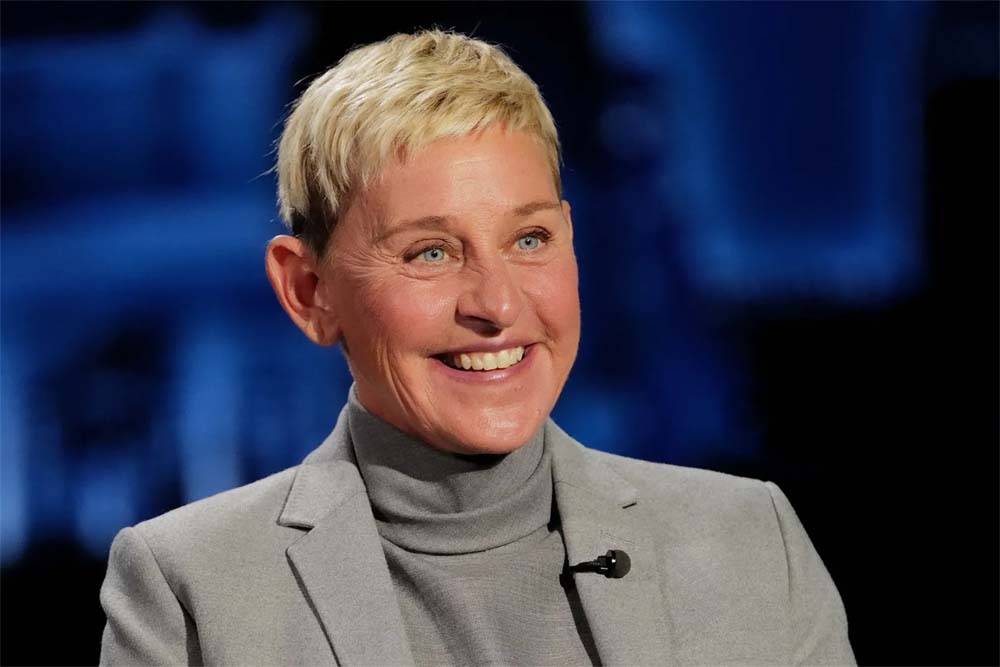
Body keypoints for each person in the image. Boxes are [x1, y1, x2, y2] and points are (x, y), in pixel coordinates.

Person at [99, 29, 855, 666]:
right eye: (430, 252)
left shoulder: (751, 543)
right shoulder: (191, 590)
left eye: (530, 239)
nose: (497, 305)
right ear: (309, 291)